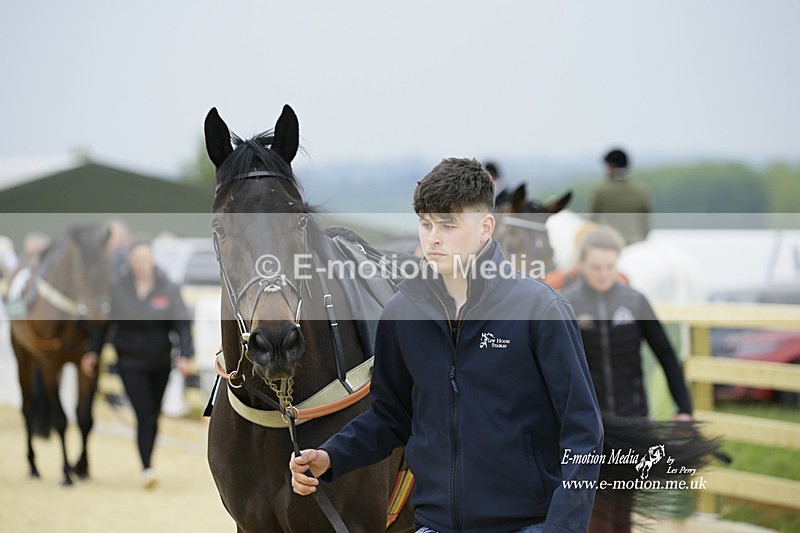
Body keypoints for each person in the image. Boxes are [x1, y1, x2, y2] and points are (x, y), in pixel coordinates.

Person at [290, 158, 603, 533]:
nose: (433, 238)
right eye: (426, 224)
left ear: (486, 227)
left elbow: (583, 430)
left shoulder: (541, 309)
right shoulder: (401, 311)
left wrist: (564, 527)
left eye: (448, 225)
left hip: (527, 526)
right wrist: (330, 456)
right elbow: (391, 415)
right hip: (433, 526)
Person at [561, 226, 692, 533]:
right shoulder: (564, 305)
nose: (603, 274)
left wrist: (684, 407)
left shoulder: (634, 301)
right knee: (595, 513)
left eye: (610, 267)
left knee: (623, 511)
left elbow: (667, 357)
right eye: (595, 267)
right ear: (580, 265)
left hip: (632, 422)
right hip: (586, 426)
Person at [81, 238, 193, 489]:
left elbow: (181, 324)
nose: (142, 264)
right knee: (144, 413)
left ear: (152, 259)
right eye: (137, 260)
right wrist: (93, 352)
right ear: (130, 263)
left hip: (161, 361)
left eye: (146, 258)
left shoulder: (168, 287)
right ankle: (147, 467)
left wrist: (185, 354)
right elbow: (105, 326)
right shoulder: (118, 288)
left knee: (153, 415)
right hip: (130, 362)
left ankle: (147, 462)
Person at [589, 148, 651, 246]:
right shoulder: (641, 190)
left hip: (610, 244)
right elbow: (646, 223)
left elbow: (592, 222)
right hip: (635, 243)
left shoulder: (601, 190)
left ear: (612, 166)